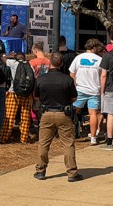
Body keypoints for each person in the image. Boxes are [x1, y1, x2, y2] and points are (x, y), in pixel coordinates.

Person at [33, 52, 83, 183]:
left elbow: (36, 96)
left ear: (50, 63)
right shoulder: (67, 80)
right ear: (61, 64)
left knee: (43, 143)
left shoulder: (41, 79)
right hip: (63, 114)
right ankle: (72, 173)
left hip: (46, 113)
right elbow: (74, 98)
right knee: (68, 144)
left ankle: (40, 171)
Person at [69, 38, 103, 145]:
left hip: (80, 89)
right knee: (93, 114)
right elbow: (103, 75)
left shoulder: (78, 58)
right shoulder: (100, 60)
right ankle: (93, 137)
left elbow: (72, 73)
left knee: (73, 111)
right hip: (95, 90)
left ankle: (70, 134)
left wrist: (75, 84)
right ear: (94, 47)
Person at [0, 51, 33, 144]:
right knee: (25, 117)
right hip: (26, 94)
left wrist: (9, 56)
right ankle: (24, 139)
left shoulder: (13, 63)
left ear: (16, 58)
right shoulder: (29, 66)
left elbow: (2, 59)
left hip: (13, 93)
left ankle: (3, 138)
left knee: (10, 116)